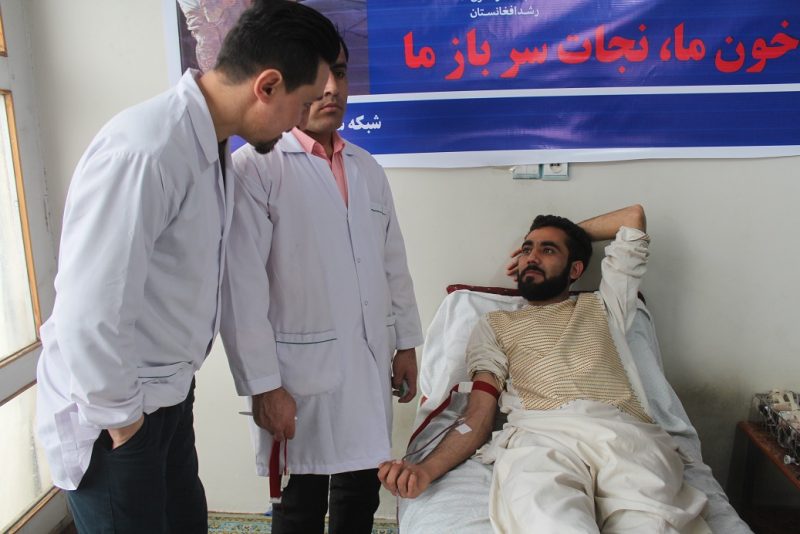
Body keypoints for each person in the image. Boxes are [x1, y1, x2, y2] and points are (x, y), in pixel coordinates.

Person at [35, 2, 340, 533]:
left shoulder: (209, 145)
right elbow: (89, 312)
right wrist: (125, 424)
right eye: (302, 102)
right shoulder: (148, 150)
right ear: (267, 86)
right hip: (115, 415)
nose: (300, 120)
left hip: (167, 396)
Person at [379, 205, 711, 533]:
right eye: (526, 249)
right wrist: (425, 471)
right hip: (542, 439)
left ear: (575, 269)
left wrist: (572, 234)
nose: (531, 257)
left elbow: (633, 218)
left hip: (623, 436)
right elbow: (477, 416)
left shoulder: (606, 306)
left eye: (547, 250)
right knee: (551, 520)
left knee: (652, 525)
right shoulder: (495, 325)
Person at [220, 36, 423, 534]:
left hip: (367, 358)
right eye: (319, 75)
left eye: (341, 73)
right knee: (300, 499)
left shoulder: (367, 168)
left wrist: (405, 343)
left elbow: (392, 262)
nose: (332, 88)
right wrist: (263, 385)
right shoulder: (256, 167)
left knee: (361, 487)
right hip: (294, 371)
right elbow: (241, 289)